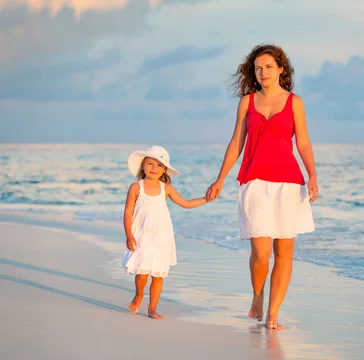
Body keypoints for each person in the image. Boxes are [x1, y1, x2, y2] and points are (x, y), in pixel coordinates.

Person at [205, 44, 319, 330]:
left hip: (289, 184)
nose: (263, 72)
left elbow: (302, 142)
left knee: (284, 252)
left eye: (269, 66)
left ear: (281, 68)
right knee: (260, 252)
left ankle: (273, 313)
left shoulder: (295, 102)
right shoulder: (247, 102)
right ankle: (258, 295)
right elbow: (236, 143)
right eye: (258, 67)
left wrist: (313, 176)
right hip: (254, 181)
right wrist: (220, 178)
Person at [122, 145, 207, 319]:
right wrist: (129, 235)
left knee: (158, 275)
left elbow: (186, 203)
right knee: (142, 273)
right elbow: (128, 212)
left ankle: (152, 308)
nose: (154, 168)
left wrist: (206, 199)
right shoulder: (136, 187)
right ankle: (139, 295)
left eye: (159, 165)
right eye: (150, 164)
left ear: (165, 170)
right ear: (143, 166)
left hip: (161, 237)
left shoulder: (165, 188)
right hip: (142, 235)